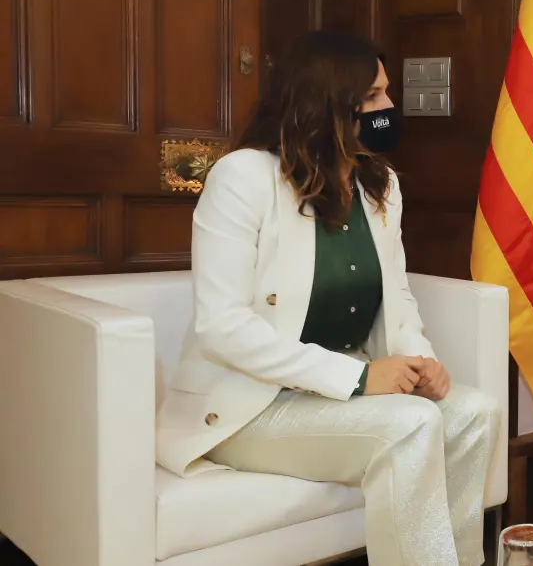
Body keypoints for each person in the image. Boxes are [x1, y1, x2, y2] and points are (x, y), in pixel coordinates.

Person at [155, 30, 502, 566]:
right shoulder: (243, 177)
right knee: (409, 425)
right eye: (373, 96)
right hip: (249, 404)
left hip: (336, 393)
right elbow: (223, 326)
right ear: (325, 104)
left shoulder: (380, 185)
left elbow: (397, 295)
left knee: (474, 412)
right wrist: (361, 378)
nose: (388, 108)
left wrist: (420, 362)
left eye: (386, 92)